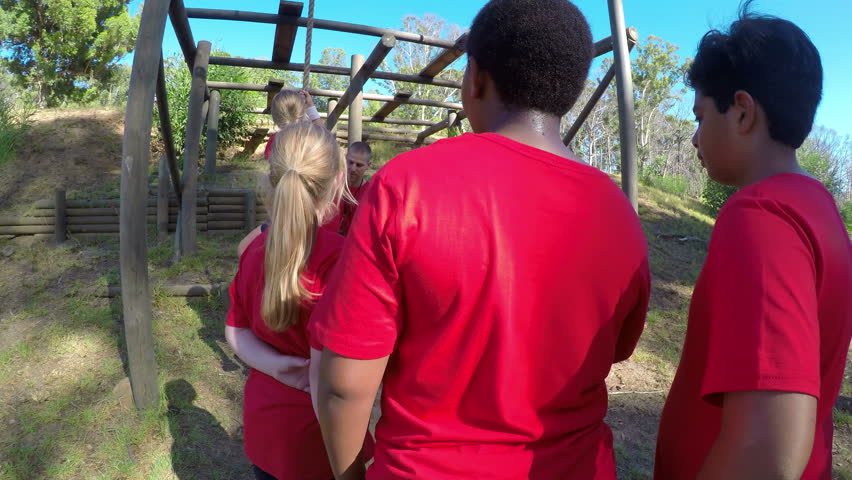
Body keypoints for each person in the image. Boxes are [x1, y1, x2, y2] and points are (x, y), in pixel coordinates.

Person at [309, 0, 650, 479]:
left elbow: (343, 384)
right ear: (569, 92)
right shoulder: (620, 215)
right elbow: (610, 351)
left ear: (476, 79)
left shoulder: (405, 186)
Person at [654, 4, 852, 480]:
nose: (696, 139)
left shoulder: (762, 216)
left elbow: (767, 448)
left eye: (701, 116)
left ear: (742, 111)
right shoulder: (819, 210)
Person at [225, 122, 368, 480]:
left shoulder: (253, 250)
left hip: (264, 429)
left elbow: (235, 331)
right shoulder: (342, 259)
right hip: (319, 442)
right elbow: (327, 385)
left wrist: (277, 366)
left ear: (271, 180)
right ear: (338, 181)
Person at [322, 142, 373, 236]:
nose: (353, 168)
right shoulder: (332, 185)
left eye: (359, 165)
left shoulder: (370, 193)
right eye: (350, 162)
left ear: (368, 165)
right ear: (345, 158)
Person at [264, 89, 324, 160]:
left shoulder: (274, 142)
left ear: (274, 118)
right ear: (302, 113)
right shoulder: (311, 138)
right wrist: (310, 107)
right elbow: (325, 138)